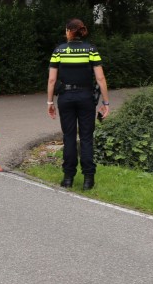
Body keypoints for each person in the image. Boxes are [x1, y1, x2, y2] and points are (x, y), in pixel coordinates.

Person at [46, 18, 110, 190]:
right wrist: (106, 102)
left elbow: (52, 80)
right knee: (87, 138)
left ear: (68, 31)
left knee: (69, 138)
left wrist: (50, 101)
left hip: (65, 97)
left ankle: (68, 178)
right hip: (86, 97)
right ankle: (89, 180)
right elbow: (100, 78)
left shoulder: (59, 50)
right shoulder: (91, 50)